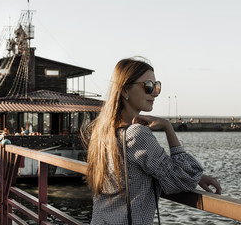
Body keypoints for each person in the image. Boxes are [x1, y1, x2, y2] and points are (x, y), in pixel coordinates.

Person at [83, 57, 222, 225]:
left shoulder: (102, 132)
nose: (155, 93)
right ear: (125, 90)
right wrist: (167, 126)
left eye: (157, 86)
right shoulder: (136, 135)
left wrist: (199, 177)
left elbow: (150, 171)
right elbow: (183, 180)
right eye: (148, 86)